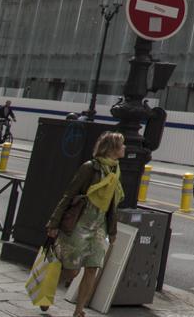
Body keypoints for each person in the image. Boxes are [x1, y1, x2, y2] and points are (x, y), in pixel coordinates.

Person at [46, 131, 125, 317]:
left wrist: (112, 231)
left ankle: (78, 310)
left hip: (99, 225)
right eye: (121, 145)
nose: (124, 148)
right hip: (80, 222)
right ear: (112, 148)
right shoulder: (90, 168)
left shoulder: (115, 170)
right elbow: (69, 194)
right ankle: (46, 289)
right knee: (71, 272)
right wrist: (53, 222)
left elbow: (112, 205)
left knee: (92, 268)